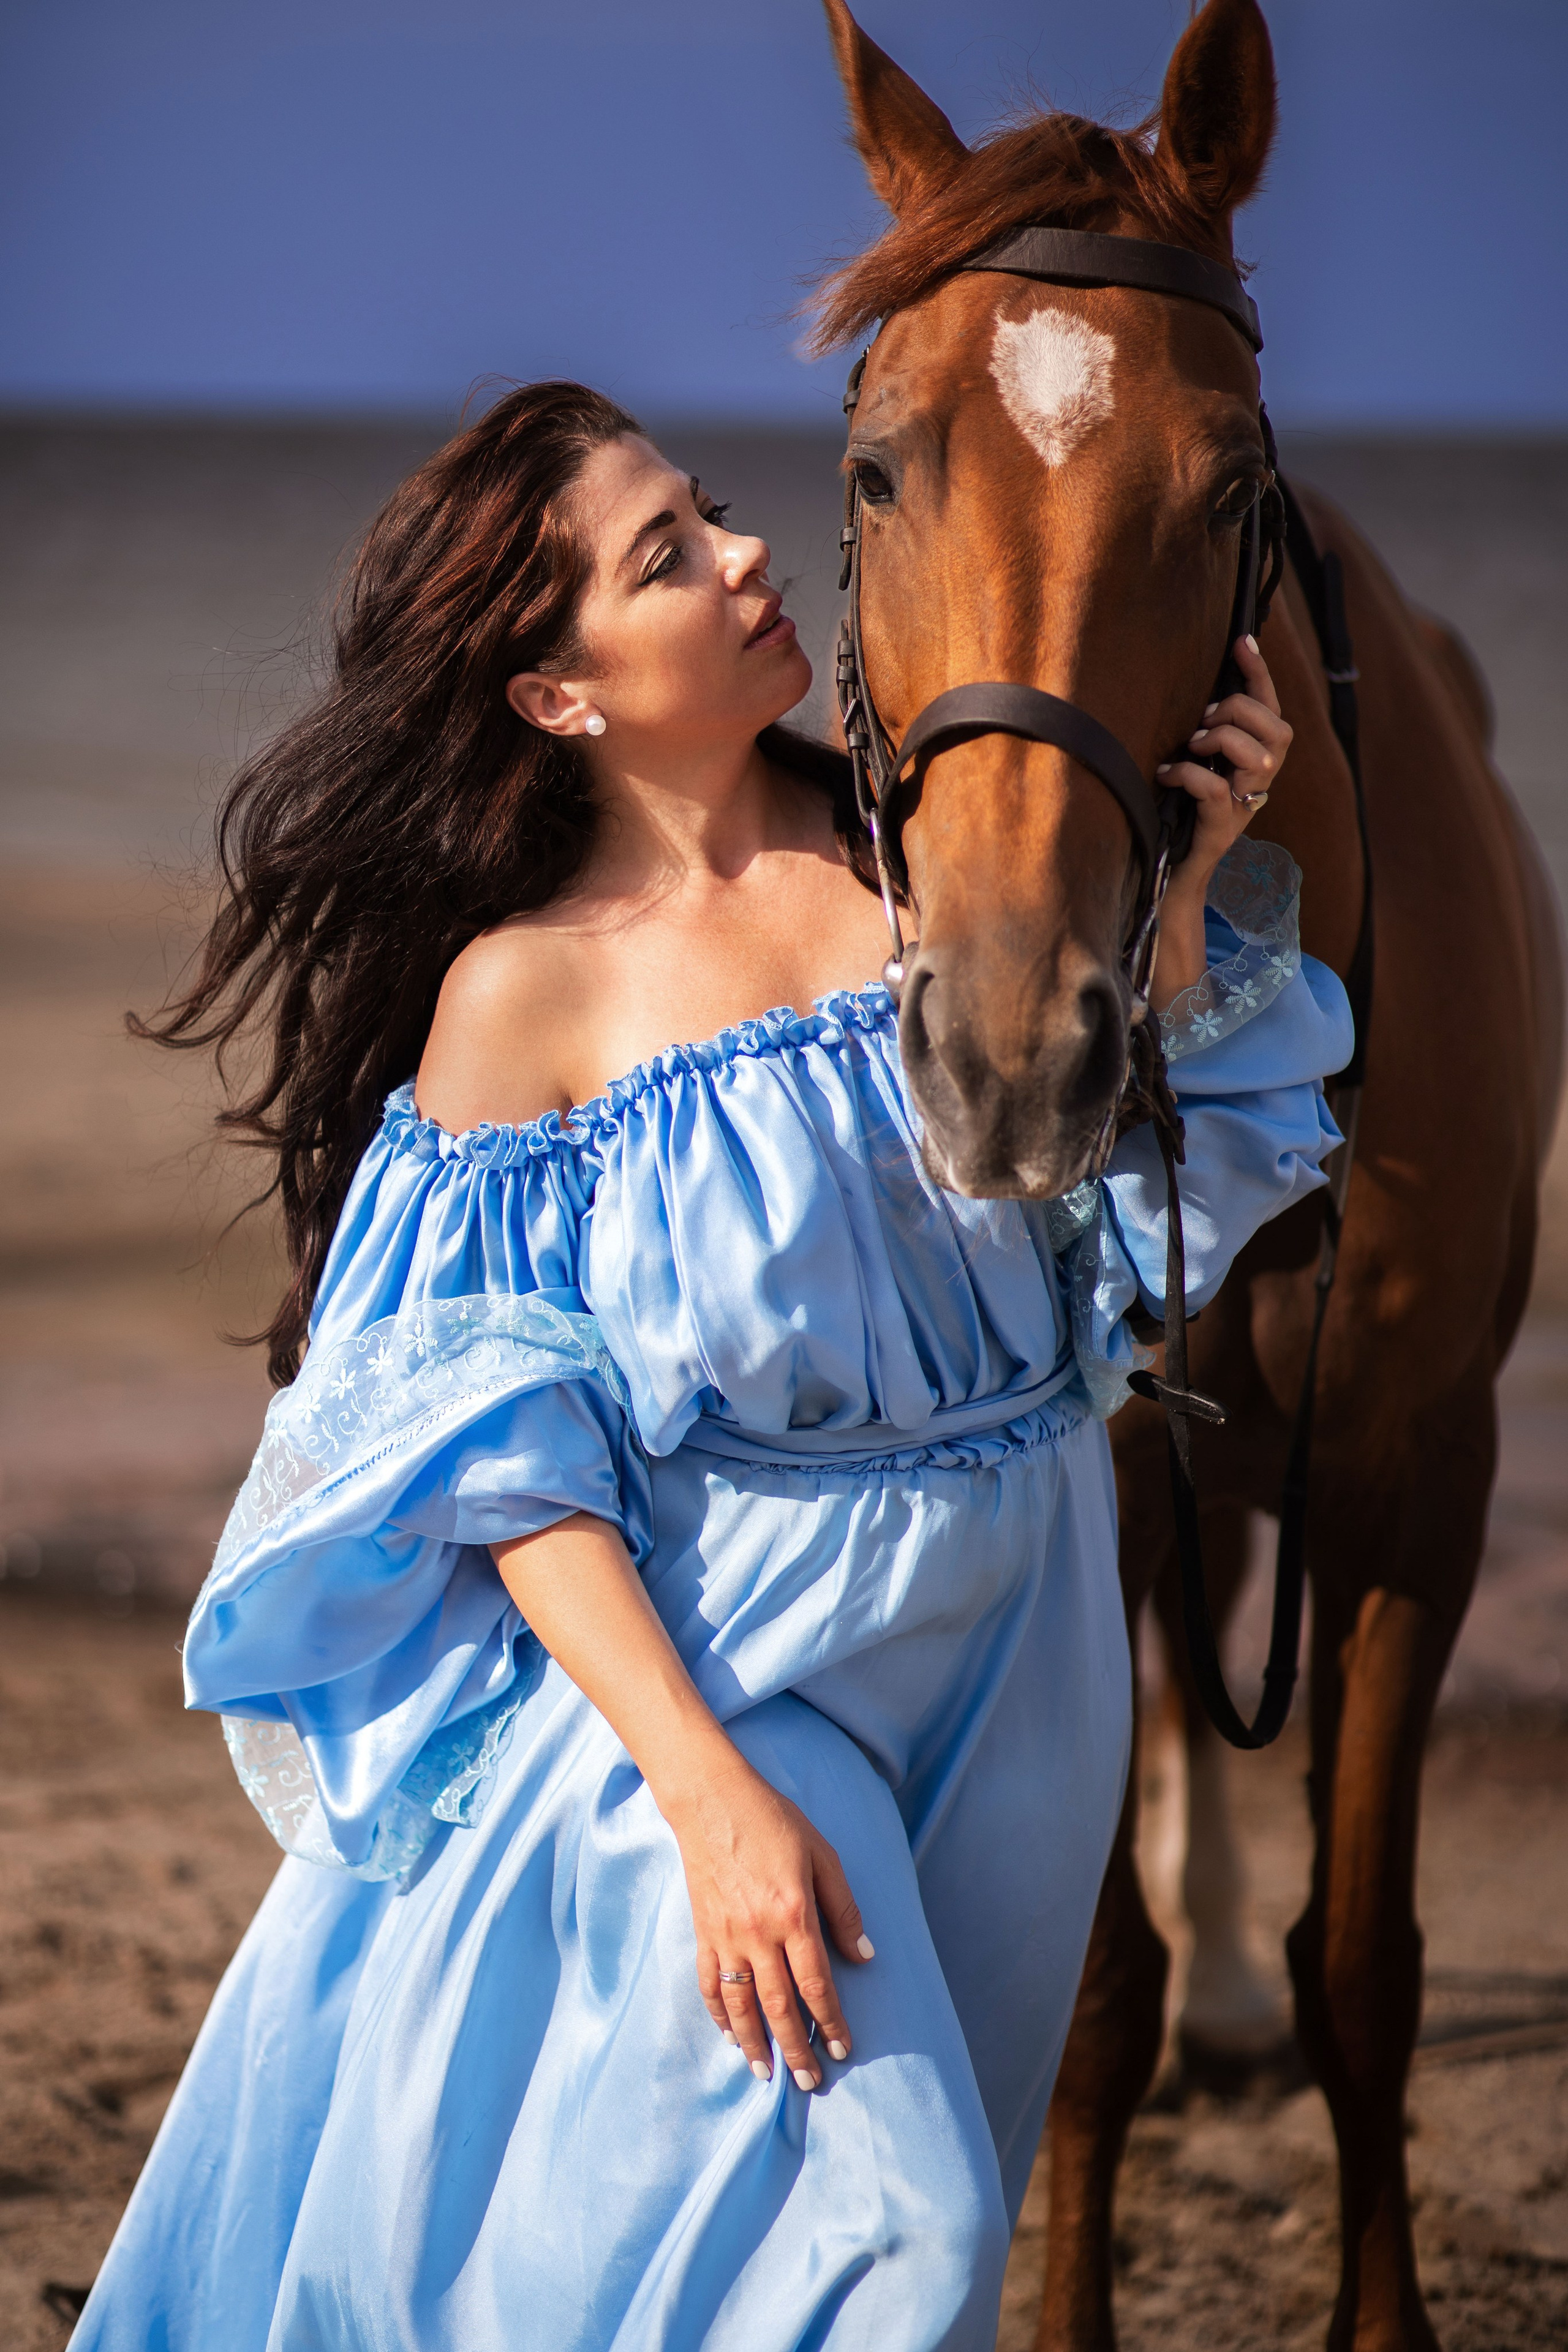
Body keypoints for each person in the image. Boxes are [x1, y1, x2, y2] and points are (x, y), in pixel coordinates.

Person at [74, 380, 1347, 2351]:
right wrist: (705, 1795)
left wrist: (1178, 884)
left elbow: (1121, 1259)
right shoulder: (526, 1000)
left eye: (722, 512)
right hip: (741, 1668)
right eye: (667, 555)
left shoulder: (941, 873)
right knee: (894, 2235)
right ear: (555, 696)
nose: (752, 555)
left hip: (1031, 1654)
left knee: (869, 2221)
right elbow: (501, 1462)